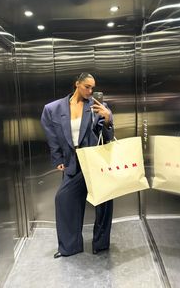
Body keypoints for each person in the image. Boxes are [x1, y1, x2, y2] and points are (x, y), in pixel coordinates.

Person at [41, 73, 114, 258]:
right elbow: (52, 137)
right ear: (77, 84)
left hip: (95, 161)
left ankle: (101, 243)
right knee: (63, 199)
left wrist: (107, 119)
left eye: (93, 88)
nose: (90, 91)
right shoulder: (53, 109)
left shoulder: (98, 107)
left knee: (104, 203)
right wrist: (58, 159)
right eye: (87, 87)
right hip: (73, 163)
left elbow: (107, 139)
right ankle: (70, 246)